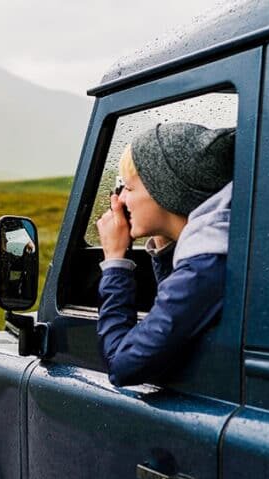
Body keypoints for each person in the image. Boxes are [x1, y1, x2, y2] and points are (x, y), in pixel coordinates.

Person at [96, 122, 235, 386]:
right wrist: (163, 237)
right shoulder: (215, 250)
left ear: (164, 190)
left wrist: (115, 261)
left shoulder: (205, 267)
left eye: (128, 187)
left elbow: (122, 364)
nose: (121, 200)